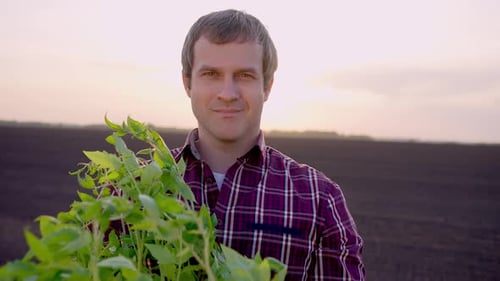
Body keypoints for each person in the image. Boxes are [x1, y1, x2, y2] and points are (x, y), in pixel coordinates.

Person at [171, 9, 365, 280]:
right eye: (212, 74)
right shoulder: (132, 189)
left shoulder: (319, 200)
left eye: (244, 76)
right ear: (187, 83)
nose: (228, 93)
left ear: (268, 86)